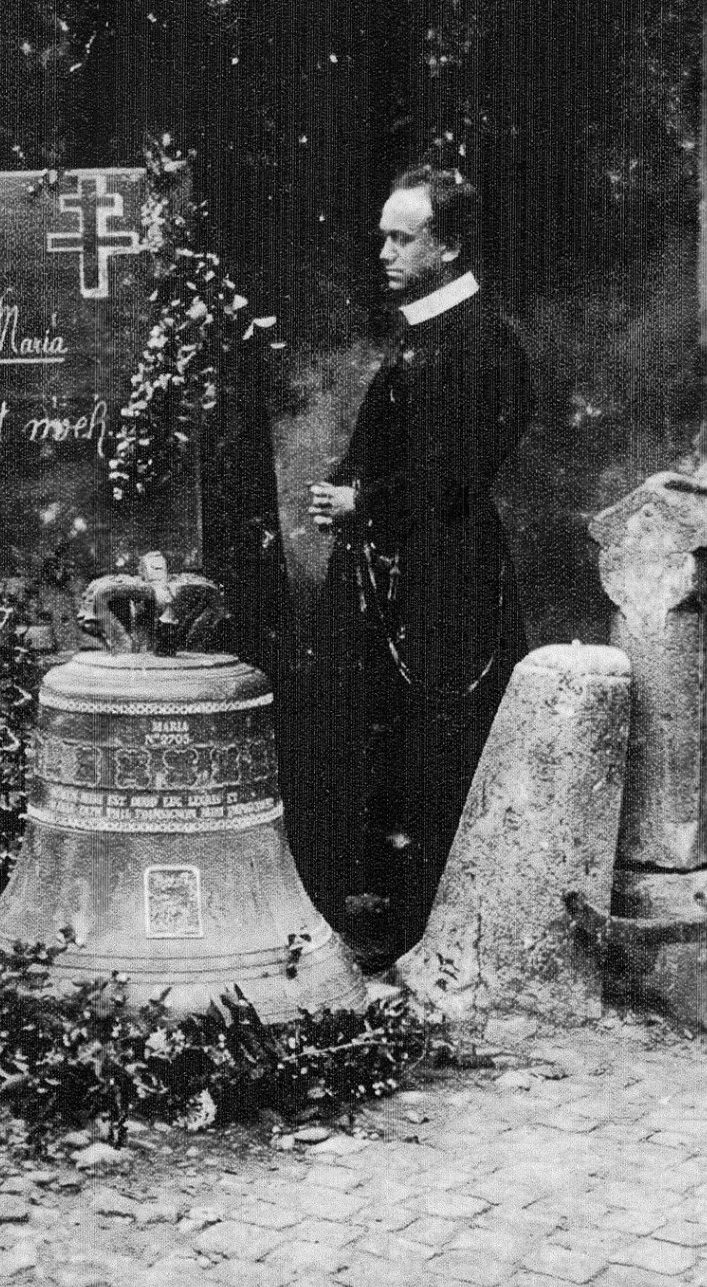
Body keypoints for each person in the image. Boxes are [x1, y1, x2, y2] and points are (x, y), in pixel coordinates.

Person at [302, 165, 531, 968]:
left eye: (404, 237)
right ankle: (386, 921)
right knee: (376, 734)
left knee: (433, 740)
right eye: (383, 237)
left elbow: (461, 471)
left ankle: (428, 929)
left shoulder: (480, 341)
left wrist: (365, 502)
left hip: (444, 576)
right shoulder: (427, 333)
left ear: (452, 244)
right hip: (398, 568)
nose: (386, 252)